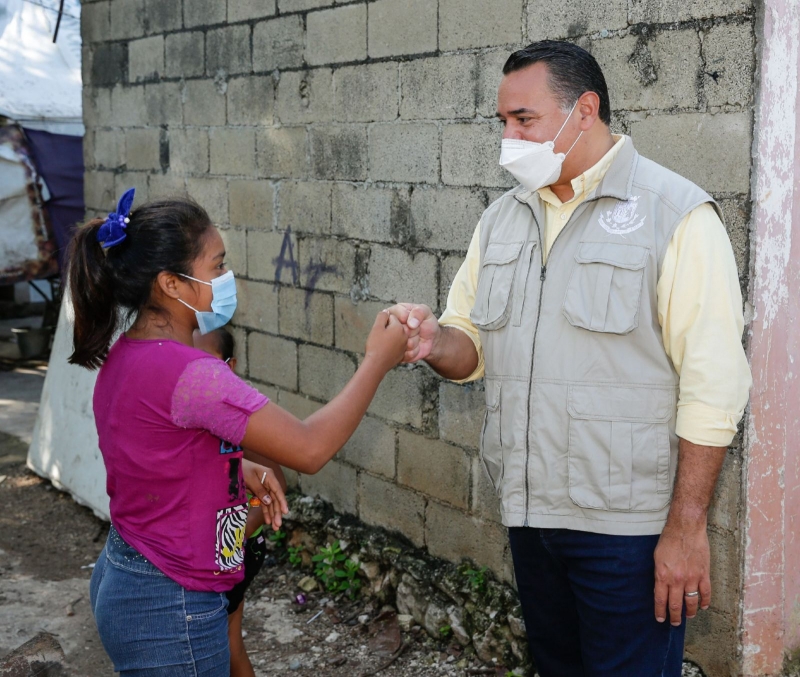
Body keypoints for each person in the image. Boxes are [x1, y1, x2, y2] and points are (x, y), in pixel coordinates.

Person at [387, 40, 751, 677]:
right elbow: (469, 344)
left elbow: (713, 385)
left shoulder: (675, 215)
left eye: (523, 120)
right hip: (531, 516)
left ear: (584, 110)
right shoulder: (503, 219)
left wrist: (687, 525)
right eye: (502, 121)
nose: (509, 137)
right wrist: (429, 341)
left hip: (628, 533)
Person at [70, 189, 407, 676]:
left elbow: (153, 452)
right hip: (172, 598)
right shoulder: (193, 373)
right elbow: (309, 449)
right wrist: (378, 360)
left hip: (128, 571)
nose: (227, 279)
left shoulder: (129, 354)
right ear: (172, 283)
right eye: (216, 266)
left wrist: (229, 465)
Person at [193, 327, 286, 677]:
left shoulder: (236, 420)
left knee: (219, 640)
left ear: (229, 367)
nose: (193, 373)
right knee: (229, 642)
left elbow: (275, 483)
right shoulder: (188, 414)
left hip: (235, 546)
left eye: (204, 363)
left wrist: (233, 534)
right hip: (217, 546)